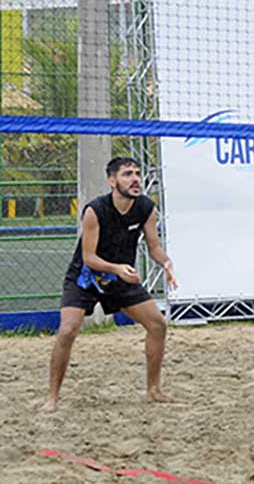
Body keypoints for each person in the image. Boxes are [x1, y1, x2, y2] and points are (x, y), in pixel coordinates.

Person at [42, 156, 180, 413]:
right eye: (128, 174)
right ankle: (52, 397)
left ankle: (153, 390)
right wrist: (116, 267)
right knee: (68, 330)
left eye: (137, 173)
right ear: (112, 181)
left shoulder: (146, 208)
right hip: (86, 277)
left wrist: (166, 263)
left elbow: (154, 247)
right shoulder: (95, 210)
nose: (135, 178)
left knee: (158, 324)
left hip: (120, 278)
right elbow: (89, 257)